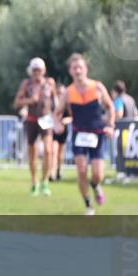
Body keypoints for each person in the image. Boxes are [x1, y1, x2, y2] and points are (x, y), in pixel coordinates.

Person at [54, 53, 116, 215]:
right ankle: (88, 204)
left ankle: (95, 185)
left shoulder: (97, 87)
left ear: (86, 69)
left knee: (97, 174)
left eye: (80, 67)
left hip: (97, 133)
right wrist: (57, 124)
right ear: (70, 71)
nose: (78, 70)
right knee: (81, 170)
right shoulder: (68, 92)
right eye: (74, 68)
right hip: (79, 134)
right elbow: (57, 113)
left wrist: (110, 125)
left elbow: (110, 107)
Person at [14, 57, 57, 197]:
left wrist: (58, 116)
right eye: (34, 70)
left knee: (49, 150)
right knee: (32, 152)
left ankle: (45, 181)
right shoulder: (26, 84)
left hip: (46, 119)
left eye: (39, 69)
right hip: (32, 120)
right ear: (31, 71)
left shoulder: (50, 83)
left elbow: (56, 101)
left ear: (44, 70)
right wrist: (29, 101)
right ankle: (34, 182)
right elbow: (17, 102)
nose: (37, 72)